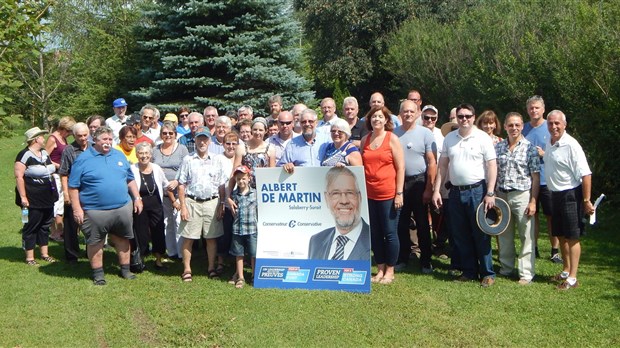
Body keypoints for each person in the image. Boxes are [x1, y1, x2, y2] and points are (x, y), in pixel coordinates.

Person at [432, 104, 497, 287]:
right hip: (455, 192)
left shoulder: (482, 138)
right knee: (460, 234)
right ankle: (469, 271)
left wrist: (490, 192)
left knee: (481, 233)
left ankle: (487, 273)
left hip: (478, 191)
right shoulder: (450, 138)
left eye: (467, 116)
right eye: (460, 116)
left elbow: (492, 166)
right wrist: (437, 190)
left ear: (474, 117)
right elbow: (443, 166)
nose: (464, 119)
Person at [68, 126, 143, 285]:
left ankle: (125, 270)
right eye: (104, 139)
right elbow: (73, 186)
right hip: (95, 211)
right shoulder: (83, 159)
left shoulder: (119, 155)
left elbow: (130, 179)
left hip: (122, 207)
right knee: (96, 242)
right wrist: (77, 209)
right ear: (95, 140)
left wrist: (137, 198)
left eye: (110, 139)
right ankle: (98, 274)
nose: (108, 142)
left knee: (123, 239)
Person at [544, 110, 594, 290]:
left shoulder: (571, 145)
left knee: (572, 236)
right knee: (561, 235)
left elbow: (586, 174)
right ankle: (566, 270)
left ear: (564, 124)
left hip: (571, 195)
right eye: (550, 123)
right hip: (554, 194)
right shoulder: (549, 141)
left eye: (557, 123)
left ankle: (572, 278)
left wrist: (587, 200)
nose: (553, 126)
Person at [360, 106, 405, 284]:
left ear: (386, 120)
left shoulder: (392, 139)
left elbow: (401, 167)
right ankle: (379, 269)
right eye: (373, 117)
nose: (376, 119)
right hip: (370, 194)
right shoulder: (365, 140)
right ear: (369, 121)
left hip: (388, 194)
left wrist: (399, 193)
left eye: (380, 116)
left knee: (390, 233)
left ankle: (390, 271)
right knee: (375, 234)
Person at [177, 127, 227, 282]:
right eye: (199, 139)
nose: (202, 142)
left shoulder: (217, 159)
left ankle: (211, 268)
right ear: (195, 141)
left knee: (211, 238)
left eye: (205, 139)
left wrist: (222, 204)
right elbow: (181, 184)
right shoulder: (188, 160)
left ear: (210, 141)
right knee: (188, 237)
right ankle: (187, 269)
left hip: (212, 202)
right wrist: (183, 206)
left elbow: (221, 185)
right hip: (192, 202)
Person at [495, 112, 540, 285]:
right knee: (505, 234)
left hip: (522, 195)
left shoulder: (529, 148)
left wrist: (533, 201)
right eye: (510, 125)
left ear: (522, 126)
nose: (514, 128)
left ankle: (526, 273)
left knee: (526, 235)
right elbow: (495, 172)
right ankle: (506, 268)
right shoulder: (498, 148)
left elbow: (535, 177)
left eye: (517, 125)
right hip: (502, 194)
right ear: (505, 126)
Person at [393, 100, 437, 274]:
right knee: (401, 224)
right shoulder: (394, 134)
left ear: (417, 113)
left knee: (422, 224)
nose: (408, 114)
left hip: (419, 183)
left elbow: (432, 162)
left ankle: (426, 260)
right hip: (400, 184)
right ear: (400, 113)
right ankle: (403, 258)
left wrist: (429, 188)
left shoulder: (425, 133)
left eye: (412, 111)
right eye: (405, 111)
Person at [523, 95, 560, 262]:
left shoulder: (551, 127)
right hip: (528, 180)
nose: (534, 110)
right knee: (532, 215)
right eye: (531, 108)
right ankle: (534, 248)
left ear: (543, 109)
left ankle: (555, 250)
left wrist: (544, 154)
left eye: (537, 107)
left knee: (551, 216)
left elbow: (560, 153)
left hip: (548, 179)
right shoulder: (523, 129)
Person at [15, 127, 58, 265]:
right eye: (41, 137)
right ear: (35, 139)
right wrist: (23, 197)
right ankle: (30, 257)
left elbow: (50, 169)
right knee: (32, 225)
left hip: (47, 195)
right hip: (32, 196)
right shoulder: (24, 155)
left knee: (45, 225)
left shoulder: (44, 153)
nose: (44, 139)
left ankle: (44, 254)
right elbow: (19, 177)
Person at [308, 166, 371, 260]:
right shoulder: (316, 241)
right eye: (336, 193)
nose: (344, 201)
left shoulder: (372, 237)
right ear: (326, 199)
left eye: (350, 193)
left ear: (360, 197)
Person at [131, 142, 174, 271]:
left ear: (151, 155)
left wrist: (174, 200)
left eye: (146, 153)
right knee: (141, 233)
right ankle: (140, 259)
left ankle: (158, 260)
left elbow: (166, 185)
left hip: (156, 205)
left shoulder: (156, 168)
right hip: (140, 206)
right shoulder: (132, 169)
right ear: (137, 155)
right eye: (141, 153)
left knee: (158, 232)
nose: (144, 156)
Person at [152, 121, 189, 259]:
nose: (167, 135)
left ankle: (181, 253)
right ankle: (171, 251)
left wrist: (176, 180)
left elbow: (185, 168)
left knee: (178, 221)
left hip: (178, 191)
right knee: (166, 222)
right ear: (161, 134)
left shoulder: (182, 149)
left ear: (175, 134)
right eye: (165, 133)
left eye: (170, 133)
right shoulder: (155, 150)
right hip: (161, 192)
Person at [59, 122, 90, 263]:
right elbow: (64, 173)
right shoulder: (69, 150)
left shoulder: (94, 148)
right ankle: (71, 254)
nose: (83, 139)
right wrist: (65, 193)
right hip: (74, 190)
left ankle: (92, 252)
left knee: (92, 224)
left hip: (91, 191)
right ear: (74, 135)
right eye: (79, 136)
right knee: (71, 224)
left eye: (85, 135)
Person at [45, 116, 76, 242]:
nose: (69, 134)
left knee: (62, 204)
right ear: (63, 128)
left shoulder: (63, 138)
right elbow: (45, 157)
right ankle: (54, 232)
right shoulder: (53, 139)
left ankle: (60, 230)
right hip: (55, 175)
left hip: (63, 174)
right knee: (56, 204)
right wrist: (59, 166)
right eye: (68, 131)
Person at [229, 165, 258, 288]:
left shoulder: (256, 193)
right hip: (238, 228)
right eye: (238, 179)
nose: (241, 181)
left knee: (253, 254)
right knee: (239, 253)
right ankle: (240, 276)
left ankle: (254, 275)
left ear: (249, 178)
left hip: (252, 228)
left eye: (243, 178)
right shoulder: (234, 195)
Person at [215, 132, 239, 275]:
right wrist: (222, 202)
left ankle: (239, 260)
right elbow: (218, 182)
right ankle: (220, 261)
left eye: (233, 143)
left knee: (238, 232)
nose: (231, 146)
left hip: (240, 198)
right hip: (224, 199)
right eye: (228, 143)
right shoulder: (218, 159)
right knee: (224, 232)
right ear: (223, 144)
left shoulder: (241, 157)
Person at [230, 117, 274, 191]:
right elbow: (234, 172)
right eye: (255, 129)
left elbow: (272, 174)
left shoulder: (270, 149)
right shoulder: (242, 148)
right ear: (251, 130)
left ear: (266, 131)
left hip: (264, 190)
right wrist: (228, 194)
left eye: (260, 130)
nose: (257, 132)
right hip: (245, 191)